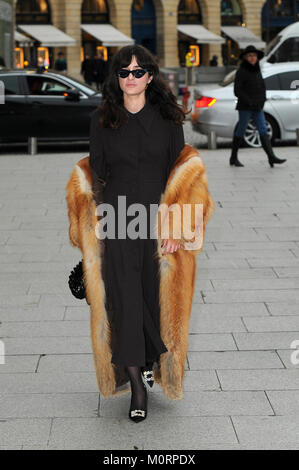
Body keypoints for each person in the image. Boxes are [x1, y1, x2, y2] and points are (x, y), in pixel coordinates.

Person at [89, 45, 187, 422]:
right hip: (117, 220)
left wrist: (176, 226)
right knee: (125, 299)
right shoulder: (101, 119)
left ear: (150, 76)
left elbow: (179, 178)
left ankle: (148, 358)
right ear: (116, 78)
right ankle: (136, 386)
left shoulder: (168, 119)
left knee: (151, 298)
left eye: (138, 71)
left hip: (158, 222)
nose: (131, 78)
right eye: (124, 72)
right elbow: (96, 176)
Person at [230, 44, 287, 167]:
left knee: (263, 130)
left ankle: (271, 157)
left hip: (258, 106)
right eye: (250, 56)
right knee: (241, 130)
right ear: (245, 57)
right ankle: (233, 157)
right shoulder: (241, 71)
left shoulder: (257, 70)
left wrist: (262, 100)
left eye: (254, 55)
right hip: (245, 107)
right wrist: (249, 101)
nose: (252, 58)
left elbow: (261, 86)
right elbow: (237, 91)